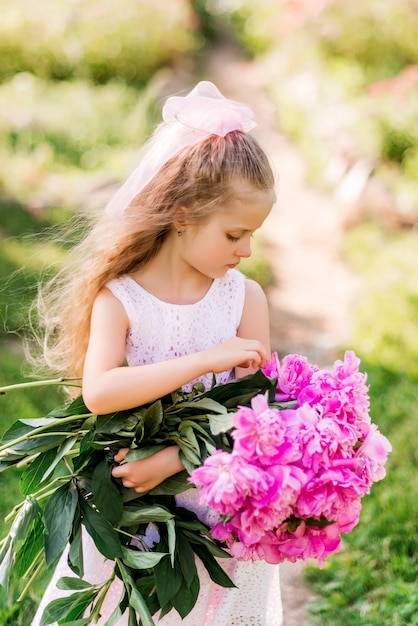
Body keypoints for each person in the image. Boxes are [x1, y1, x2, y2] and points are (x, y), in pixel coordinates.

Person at [31, 81, 283, 626]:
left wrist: (179, 462)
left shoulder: (246, 299)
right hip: (137, 514)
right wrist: (202, 360)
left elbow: (258, 419)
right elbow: (100, 391)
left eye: (252, 236)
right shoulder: (120, 298)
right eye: (235, 234)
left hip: (219, 503)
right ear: (184, 215)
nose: (246, 251)